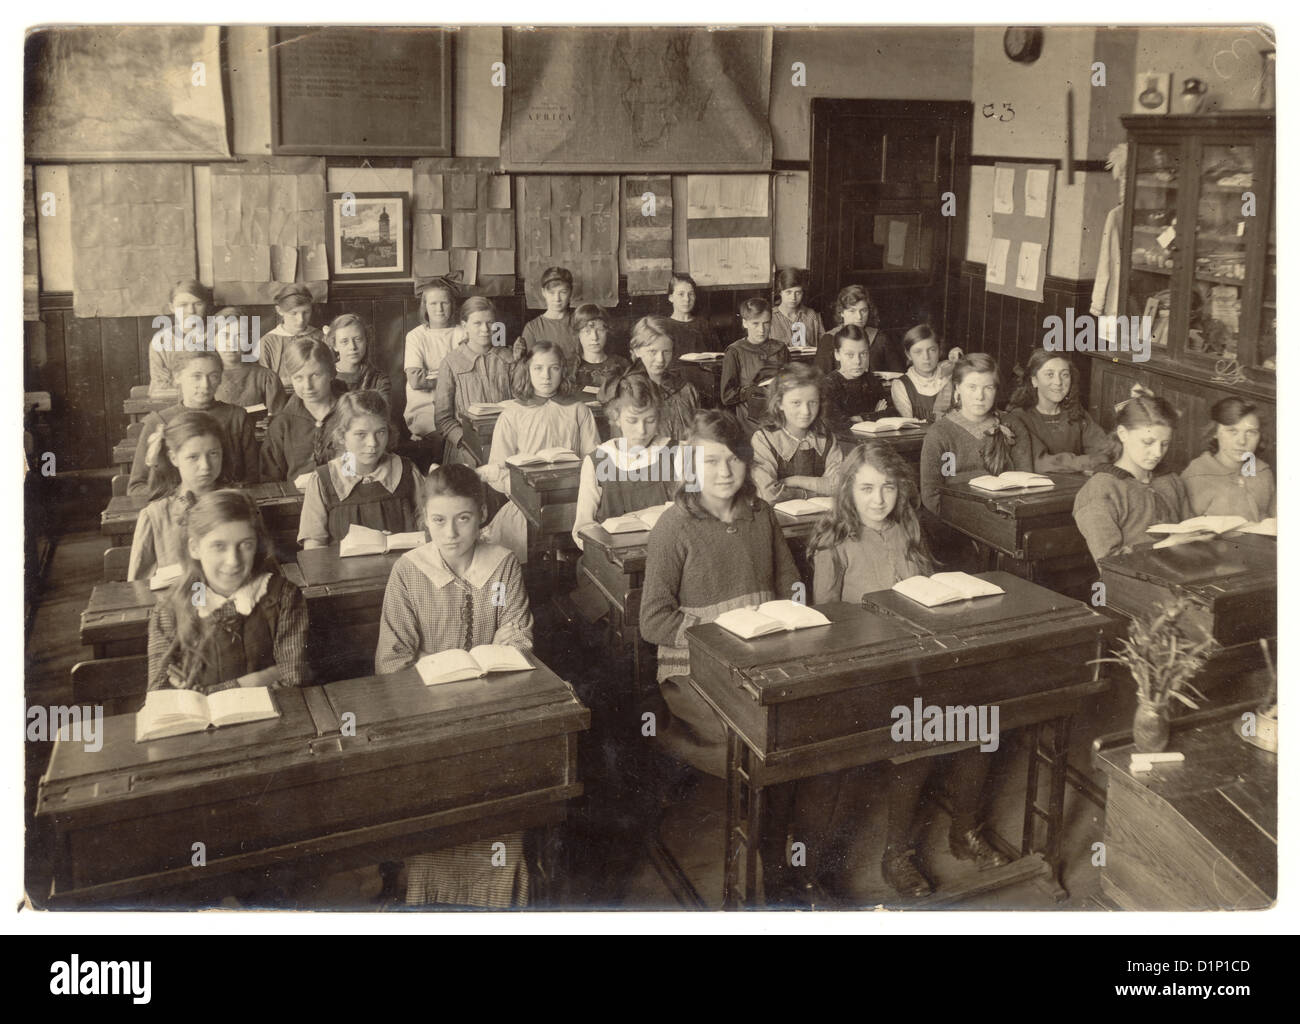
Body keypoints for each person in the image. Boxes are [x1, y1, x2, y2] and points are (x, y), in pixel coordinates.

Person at [639, 410, 837, 905]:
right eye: (710, 461)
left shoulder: (760, 515)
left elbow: (792, 584)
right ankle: (768, 877)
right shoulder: (673, 525)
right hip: (693, 673)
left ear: (748, 464)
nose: (723, 471)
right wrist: (719, 640)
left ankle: (794, 862)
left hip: (761, 658)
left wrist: (791, 617)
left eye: (733, 460)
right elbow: (653, 620)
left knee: (815, 729)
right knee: (762, 736)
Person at [809, 440, 1009, 897]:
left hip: (920, 655)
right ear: (848, 492)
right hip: (868, 669)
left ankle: (965, 833)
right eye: (866, 489)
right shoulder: (833, 540)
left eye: (888, 488)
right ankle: (897, 854)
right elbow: (827, 624)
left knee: (982, 726)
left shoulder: (907, 526)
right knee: (919, 735)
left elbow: (924, 587)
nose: (878, 499)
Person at [374, 464, 533, 907]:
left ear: (481, 515)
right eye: (438, 520)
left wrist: (487, 671)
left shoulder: (501, 566)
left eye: (463, 518)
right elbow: (392, 660)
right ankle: (428, 895)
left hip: (492, 710)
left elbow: (516, 636)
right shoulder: (408, 572)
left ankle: (501, 895)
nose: (450, 532)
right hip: (426, 717)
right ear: (423, 517)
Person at [147, 489, 309, 694]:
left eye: (245, 545)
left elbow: (293, 677)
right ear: (195, 548)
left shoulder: (283, 596)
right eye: (219, 546)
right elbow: (159, 692)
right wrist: (265, 677)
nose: (233, 560)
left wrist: (208, 691)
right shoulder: (170, 609)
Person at [480, 340, 600, 562]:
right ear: (528, 370)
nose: (546, 376)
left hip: (573, 501)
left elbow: (594, 461)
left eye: (553, 368)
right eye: (538, 368)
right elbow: (497, 470)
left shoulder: (578, 410)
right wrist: (525, 493)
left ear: (562, 371)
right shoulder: (512, 413)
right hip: (525, 505)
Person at [1072, 386, 1192, 561]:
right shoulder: (1102, 489)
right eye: (1148, 442)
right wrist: (1163, 545)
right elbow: (1108, 562)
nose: (1158, 452)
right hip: (1129, 584)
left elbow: (1189, 531)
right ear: (1123, 434)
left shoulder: (1171, 480)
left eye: (1164, 444)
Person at [298, 390, 422, 549]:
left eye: (380, 432)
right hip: (341, 573)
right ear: (342, 436)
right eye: (361, 434)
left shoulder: (407, 472)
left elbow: (427, 529)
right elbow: (314, 546)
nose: (373, 443)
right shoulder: (323, 480)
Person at [128, 349, 259, 496]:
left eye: (213, 376)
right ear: (178, 377)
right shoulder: (157, 422)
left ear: (221, 379)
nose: (205, 385)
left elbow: (253, 478)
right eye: (196, 376)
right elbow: (136, 487)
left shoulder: (237, 416)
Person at [572, 370, 675, 550]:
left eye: (650, 420)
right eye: (632, 421)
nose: (641, 431)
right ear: (616, 418)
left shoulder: (680, 452)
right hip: (614, 562)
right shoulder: (598, 460)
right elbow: (582, 527)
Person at [919, 353, 1032, 514]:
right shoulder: (940, 433)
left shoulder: (1013, 425)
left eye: (988, 387)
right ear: (957, 387)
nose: (980, 396)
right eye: (972, 387)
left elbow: (1026, 482)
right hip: (955, 522)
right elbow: (931, 495)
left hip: (1005, 517)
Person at [128, 411, 230, 581]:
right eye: (193, 457)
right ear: (174, 458)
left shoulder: (240, 504)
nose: (205, 466)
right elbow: (138, 587)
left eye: (213, 454)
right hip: (177, 603)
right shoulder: (155, 516)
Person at [433, 297, 515, 466]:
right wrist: (467, 443)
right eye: (477, 323)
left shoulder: (508, 358)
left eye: (490, 322)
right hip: (465, 449)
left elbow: (521, 405)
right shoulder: (451, 363)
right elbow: (443, 418)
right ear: (465, 326)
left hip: (506, 444)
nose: (485, 329)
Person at [750, 363, 843, 503]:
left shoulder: (826, 437)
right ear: (779, 403)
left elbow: (839, 486)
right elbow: (768, 494)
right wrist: (816, 492)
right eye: (796, 403)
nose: (806, 411)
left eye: (812, 402)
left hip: (822, 518)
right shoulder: (763, 439)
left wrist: (794, 481)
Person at [1005, 350, 1111, 473]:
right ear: (1034, 380)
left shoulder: (1076, 413)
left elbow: (1106, 450)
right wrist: (1089, 463)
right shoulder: (1019, 417)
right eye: (1050, 374)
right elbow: (1041, 463)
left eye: (1065, 375)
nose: (1058, 382)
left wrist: (1096, 461)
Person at [260, 337, 345, 482]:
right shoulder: (282, 424)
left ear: (331, 373)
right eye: (298, 378)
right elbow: (269, 478)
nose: (307, 386)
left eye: (315, 375)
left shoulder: (353, 413)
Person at [1181, 397, 1276, 520]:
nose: (1242, 441)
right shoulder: (1195, 476)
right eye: (1232, 431)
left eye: (1251, 432)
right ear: (1215, 432)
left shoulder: (1263, 472)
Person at [404, 277, 467, 441]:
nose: (439, 309)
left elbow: (468, 376)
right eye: (433, 304)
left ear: (452, 305)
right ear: (425, 306)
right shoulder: (416, 336)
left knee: (466, 434)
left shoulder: (462, 334)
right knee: (441, 436)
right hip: (425, 406)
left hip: (458, 404)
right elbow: (416, 381)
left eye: (444, 303)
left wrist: (432, 375)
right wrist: (451, 378)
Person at [627, 315, 701, 443]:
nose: (660, 359)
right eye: (652, 352)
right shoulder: (627, 390)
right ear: (637, 350)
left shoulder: (686, 390)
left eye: (666, 351)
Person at [721, 297, 788, 436]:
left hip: (779, 416)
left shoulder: (780, 348)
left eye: (766, 323)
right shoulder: (735, 351)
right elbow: (727, 395)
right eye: (755, 324)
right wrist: (753, 390)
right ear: (745, 323)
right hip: (750, 422)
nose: (761, 330)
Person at [814, 285, 908, 375]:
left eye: (863, 310)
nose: (859, 317)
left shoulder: (880, 338)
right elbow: (820, 379)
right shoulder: (829, 339)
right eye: (852, 311)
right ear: (841, 312)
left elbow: (898, 373)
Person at [211, 307, 286, 415]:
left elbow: (278, 423)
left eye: (240, 336)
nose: (231, 343)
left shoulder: (267, 378)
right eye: (225, 336)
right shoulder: (205, 377)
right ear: (213, 339)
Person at [148, 279, 212, 396]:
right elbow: (159, 387)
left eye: (198, 304)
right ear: (172, 307)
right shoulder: (161, 340)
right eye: (183, 305)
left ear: (206, 305)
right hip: (174, 402)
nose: (191, 311)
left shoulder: (219, 335)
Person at [257, 284, 324, 387]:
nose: (301, 319)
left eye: (306, 312)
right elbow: (264, 382)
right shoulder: (267, 342)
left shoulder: (320, 337)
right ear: (279, 311)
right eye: (294, 313)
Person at [822, 325, 887, 431]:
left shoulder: (871, 381)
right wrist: (874, 415)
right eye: (850, 355)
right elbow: (834, 423)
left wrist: (860, 418)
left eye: (863, 354)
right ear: (837, 355)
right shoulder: (828, 385)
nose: (857, 361)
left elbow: (891, 412)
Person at [890, 325, 955, 422]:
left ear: (939, 351)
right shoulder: (902, 385)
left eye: (932, 350)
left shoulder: (949, 377)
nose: (926, 357)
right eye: (918, 352)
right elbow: (908, 424)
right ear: (908, 355)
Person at [514, 266, 578, 362]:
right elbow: (528, 365)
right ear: (543, 292)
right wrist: (519, 357)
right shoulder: (532, 328)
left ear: (571, 292)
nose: (557, 299)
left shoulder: (580, 322)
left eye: (563, 292)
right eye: (552, 293)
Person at [326, 313, 390, 397]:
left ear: (366, 341)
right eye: (344, 341)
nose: (352, 347)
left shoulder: (379, 380)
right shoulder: (326, 377)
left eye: (358, 339)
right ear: (335, 345)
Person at [572, 303, 631, 392]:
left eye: (600, 330)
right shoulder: (569, 367)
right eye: (587, 331)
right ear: (578, 334)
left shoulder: (622, 365)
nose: (594, 337)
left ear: (607, 331)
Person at [661, 272, 721, 355]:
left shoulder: (704, 325)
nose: (687, 299)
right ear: (671, 298)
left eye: (691, 294)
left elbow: (718, 355)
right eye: (681, 294)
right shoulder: (663, 327)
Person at [769, 267, 825, 349]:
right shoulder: (770, 317)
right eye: (788, 292)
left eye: (798, 292)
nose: (793, 298)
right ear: (780, 292)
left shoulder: (812, 315)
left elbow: (824, 345)